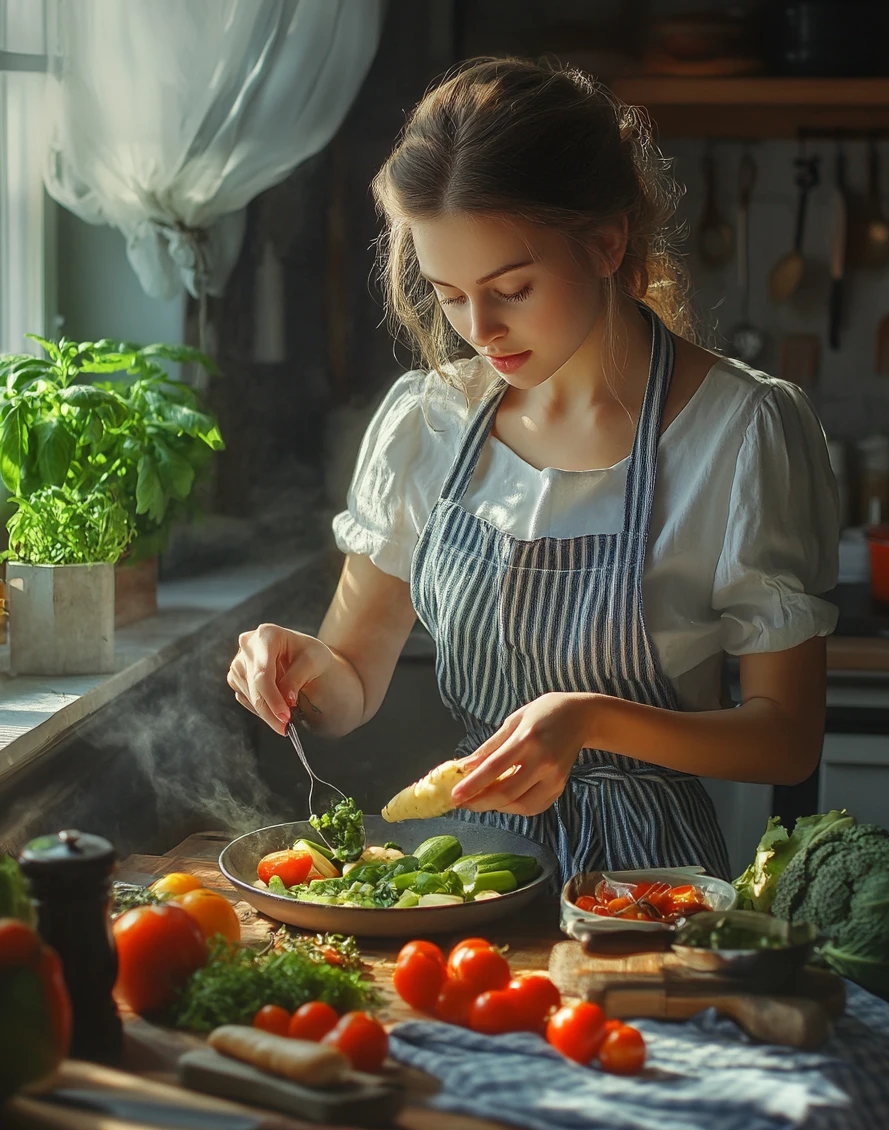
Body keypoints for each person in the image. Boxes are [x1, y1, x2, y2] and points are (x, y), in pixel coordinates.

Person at [228, 58, 839, 881]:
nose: (480, 328)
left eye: (511, 288)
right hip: (469, 873)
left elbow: (787, 738)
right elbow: (350, 683)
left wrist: (590, 719)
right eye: (448, 294)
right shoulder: (428, 423)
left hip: (645, 892)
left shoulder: (742, 432)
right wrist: (297, 669)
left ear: (606, 242)